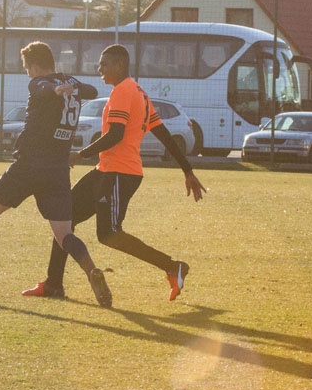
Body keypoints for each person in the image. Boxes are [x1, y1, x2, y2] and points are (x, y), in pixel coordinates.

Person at [23, 44, 206, 303]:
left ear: (119, 65)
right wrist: (188, 170)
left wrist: (80, 154)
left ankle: (172, 266)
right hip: (106, 171)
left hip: (120, 173)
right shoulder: (138, 93)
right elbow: (162, 133)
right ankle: (54, 284)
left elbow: (116, 135)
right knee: (65, 219)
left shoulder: (123, 91)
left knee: (109, 234)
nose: (99, 69)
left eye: (104, 64)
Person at [0, 41, 113, 307]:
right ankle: (91, 269)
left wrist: (55, 89)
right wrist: (70, 88)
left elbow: (43, 88)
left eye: (27, 69)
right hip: (57, 170)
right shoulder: (72, 82)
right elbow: (92, 90)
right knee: (64, 234)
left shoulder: (39, 83)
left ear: (34, 66)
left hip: (29, 165)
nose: (28, 74)